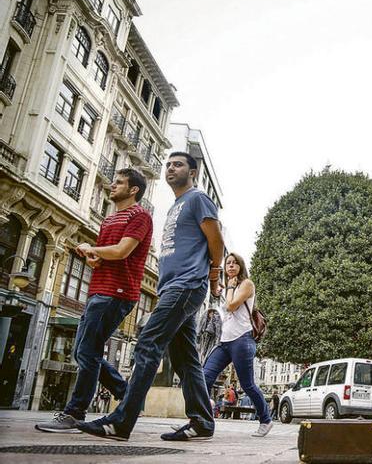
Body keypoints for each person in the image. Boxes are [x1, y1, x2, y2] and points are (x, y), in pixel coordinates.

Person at [77, 152, 224, 442]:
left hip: (187, 285)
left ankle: (121, 421)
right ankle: (203, 422)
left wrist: (214, 276)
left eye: (178, 164)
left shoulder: (198, 199)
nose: (171, 168)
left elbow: (216, 240)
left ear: (192, 172)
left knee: (148, 342)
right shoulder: (174, 207)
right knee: (185, 359)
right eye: (168, 165)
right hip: (171, 287)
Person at [36, 169, 152, 433]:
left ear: (133, 190)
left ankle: (75, 413)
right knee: (83, 351)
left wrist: (92, 249)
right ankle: (128, 394)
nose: (112, 186)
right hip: (98, 289)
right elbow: (105, 256)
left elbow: (123, 251)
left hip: (117, 292)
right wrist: (93, 257)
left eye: (119, 183)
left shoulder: (140, 216)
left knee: (87, 351)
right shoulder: (110, 219)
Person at [201, 253, 273, 436]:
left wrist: (231, 287)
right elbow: (218, 295)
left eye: (235, 263)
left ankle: (265, 420)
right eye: (228, 264)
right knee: (203, 378)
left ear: (241, 266)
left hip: (242, 339)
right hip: (224, 341)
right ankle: (200, 417)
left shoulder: (246, 284)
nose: (231, 266)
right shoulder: (228, 287)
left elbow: (232, 306)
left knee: (248, 385)